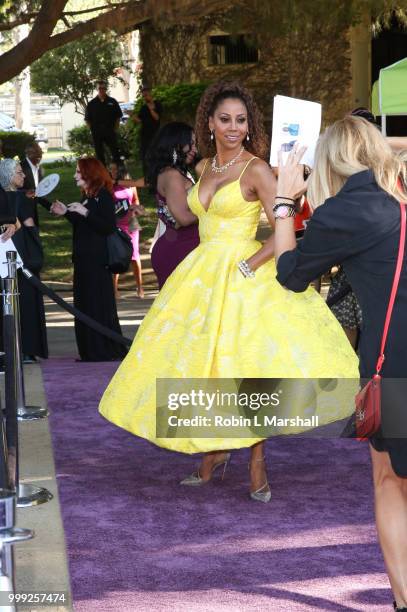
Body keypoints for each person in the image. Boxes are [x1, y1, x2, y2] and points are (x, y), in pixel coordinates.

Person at [98, 81, 358, 503]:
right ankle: (213, 451)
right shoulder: (202, 167)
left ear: (249, 124)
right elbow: (193, 220)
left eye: (241, 120)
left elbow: (286, 226)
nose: (233, 127)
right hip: (200, 277)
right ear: (210, 123)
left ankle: (256, 460)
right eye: (225, 119)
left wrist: (252, 264)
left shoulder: (257, 169)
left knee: (247, 368)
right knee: (203, 365)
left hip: (246, 277)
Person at [273, 117, 407, 611]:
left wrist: (285, 201)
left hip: (394, 364)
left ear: (328, 162)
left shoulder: (348, 211)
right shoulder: (401, 190)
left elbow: (290, 274)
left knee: (390, 481)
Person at [51, 158, 127, 362]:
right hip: (84, 260)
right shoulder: (87, 195)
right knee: (84, 304)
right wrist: (67, 212)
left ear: (89, 174)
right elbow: (83, 224)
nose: (75, 175)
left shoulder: (103, 195)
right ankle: (89, 349)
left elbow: (107, 226)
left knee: (96, 304)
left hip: (97, 261)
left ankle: (102, 349)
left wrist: (84, 212)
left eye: (78, 172)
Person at [0, 159, 48, 361]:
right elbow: (30, 228)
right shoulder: (21, 199)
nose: (24, 175)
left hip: (10, 258)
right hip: (23, 258)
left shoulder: (16, 198)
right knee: (25, 302)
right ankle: (27, 349)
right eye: (19, 172)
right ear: (8, 175)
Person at [146, 122, 199, 289]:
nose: (195, 149)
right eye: (191, 143)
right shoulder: (172, 175)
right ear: (176, 143)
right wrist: (216, 213)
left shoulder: (177, 172)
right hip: (178, 251)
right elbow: (183, 218)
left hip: (183, 248)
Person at [110, 162, 145, 299]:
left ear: (120, 170)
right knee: (117, 255)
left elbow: (135, 200)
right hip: (117, 224)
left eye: (113, 169)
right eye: (110, 169)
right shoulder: (109, 186)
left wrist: (136, 208)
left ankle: (140, 288)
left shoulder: (131, 184)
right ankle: (114, 290)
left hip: (131, 224)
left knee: (135, 256)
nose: (111, 172)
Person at [85, 81, 123, 166]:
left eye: (103, 88)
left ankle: (119, 171)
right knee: (99, 154)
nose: (102, 90)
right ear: (97, 89)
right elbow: (87, 119)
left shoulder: (112, 101)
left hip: (110, 131)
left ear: (106, 89)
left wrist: (115, 129)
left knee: (115, 151)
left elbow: (118, 116)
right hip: (97, 132)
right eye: (100, 88)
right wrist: (92, 130)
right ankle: (103, 173)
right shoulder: (92, 103)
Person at [132, 86, 162, 175]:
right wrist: (132, 115)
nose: (145, 97)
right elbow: (139, 120)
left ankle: (158, 173)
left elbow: (157, 118)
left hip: (155, 135)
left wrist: (151, 109)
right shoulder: (143, 108)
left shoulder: (157, 104)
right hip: (145, 135)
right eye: (144, 96)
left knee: (155, 155)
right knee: (145, 156)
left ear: (150, 94)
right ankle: (147, 176)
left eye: (146, 95)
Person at [20, 142, 52, 226]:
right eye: (36, 153)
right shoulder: (20, 168)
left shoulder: (37, 168)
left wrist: (50, 207)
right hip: (21, 213)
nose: (40, 156)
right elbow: (13, 190)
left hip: (33, 211)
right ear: (28, 154)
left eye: (40, 153)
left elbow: (38, 193)